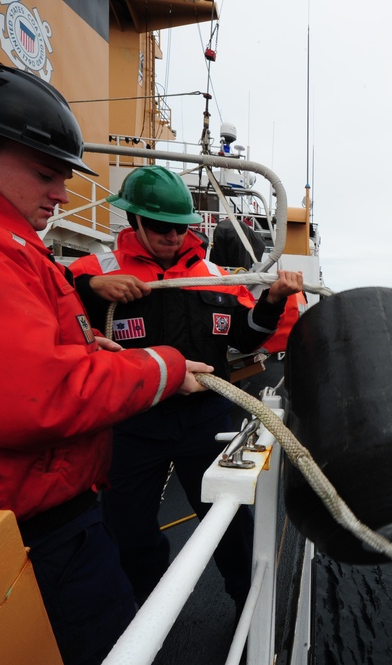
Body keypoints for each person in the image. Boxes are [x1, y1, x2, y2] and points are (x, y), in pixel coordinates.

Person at [0, 63, 214, 665]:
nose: (63, 194)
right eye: (46, 173)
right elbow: (31, 397)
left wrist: (90, 351)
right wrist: (163, 366)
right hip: (29, 532)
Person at [69, 165, 303, 619]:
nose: (172, 237)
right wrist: (90, 289)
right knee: (128, 529)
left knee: (230, 522)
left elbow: (247, 336)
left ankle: (248, 606)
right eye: (160, 227)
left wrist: (272, 301)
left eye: (181, 228)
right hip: (132, 422)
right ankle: (150, 612)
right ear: (133, 220)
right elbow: (49, 302)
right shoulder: (93, 270)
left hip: (205, 419)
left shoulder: (215, 275)